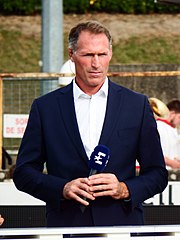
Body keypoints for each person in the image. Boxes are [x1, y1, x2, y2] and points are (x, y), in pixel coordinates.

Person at [13, 21, 168, 227]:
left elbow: (157, 173)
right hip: (65, 226)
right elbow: (23, 173)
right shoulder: (45, 108)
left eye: (102, 54)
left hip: (122, 227)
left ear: (110, 54)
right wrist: (62, 188)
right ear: (72, 55)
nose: (96, 63)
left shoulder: (136, 105)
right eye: (88, 55)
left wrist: (124, 189)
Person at [156, 99, 180, 170]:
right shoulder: (158, 126)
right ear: (172, 114)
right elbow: (152, 153)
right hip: (161, 172)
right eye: (179, 117)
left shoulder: (173, 130)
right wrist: (171, 163)